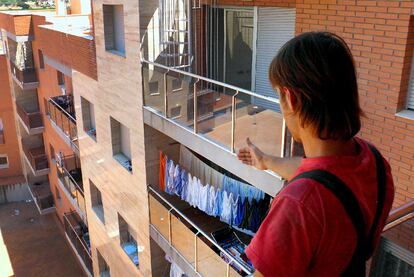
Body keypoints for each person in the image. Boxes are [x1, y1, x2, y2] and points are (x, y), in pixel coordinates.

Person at [237, 32, 394, 276]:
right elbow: (327, 178)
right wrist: (266, 161)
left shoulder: (297, 205)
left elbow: (315, 191)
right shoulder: (375, 162)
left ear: (291, 99)